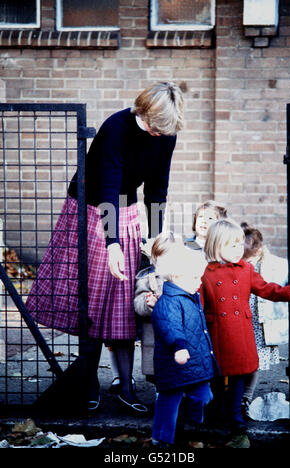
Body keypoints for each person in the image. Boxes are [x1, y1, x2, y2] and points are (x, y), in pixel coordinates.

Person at [25, 81, 184, 412]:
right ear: (145, 112)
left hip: (123, 207)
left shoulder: (166, 133)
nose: (159, 135)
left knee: (123, 298)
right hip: (89, 206)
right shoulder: (117, 128)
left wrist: (155, 239)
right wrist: (113, 243)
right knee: (93, 297)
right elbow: (108, 188)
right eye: (156, 128)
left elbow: (157, 189)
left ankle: (126, 386)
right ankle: (88, 382)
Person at [200, 219, 290, 437]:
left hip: (240, 332)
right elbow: (200, 304)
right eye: (231, 245)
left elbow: (265, 289)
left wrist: (286, 292)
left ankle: (235, 416)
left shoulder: (246, 269)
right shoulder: (206, 273)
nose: (238, 250)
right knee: (216, 376)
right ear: (216, 245)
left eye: (239, 244)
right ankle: (215, 413)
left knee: (238, 376)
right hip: (217, 331)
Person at [150, 245, 217, 447]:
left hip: (195, 362)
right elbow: (170, 326)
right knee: (168, 402)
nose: (200, 282)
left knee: (204, 396)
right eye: (195, 277)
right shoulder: (169, 302)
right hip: (174, 362)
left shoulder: (189, 297)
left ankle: (190, 421)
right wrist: (179, 347)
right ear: (178, 276)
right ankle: (161, 438)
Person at [240, 222, 289, 417]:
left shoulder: (273, 265)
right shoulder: (236, 263)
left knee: (255, 361)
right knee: (239, 359)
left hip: (260, 323)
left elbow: (278, 283)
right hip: (243, 319)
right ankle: (237, 395)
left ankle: (246, 396)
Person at [134, 231, 176, 382]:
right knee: (158, 372)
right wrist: (148, 303)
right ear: (154, 258)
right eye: (161, 257)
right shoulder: (148, 278)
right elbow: (138, 303)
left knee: (179, 369)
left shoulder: (182, 277)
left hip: (177, 334)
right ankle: (161, 399)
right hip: (155, 334)